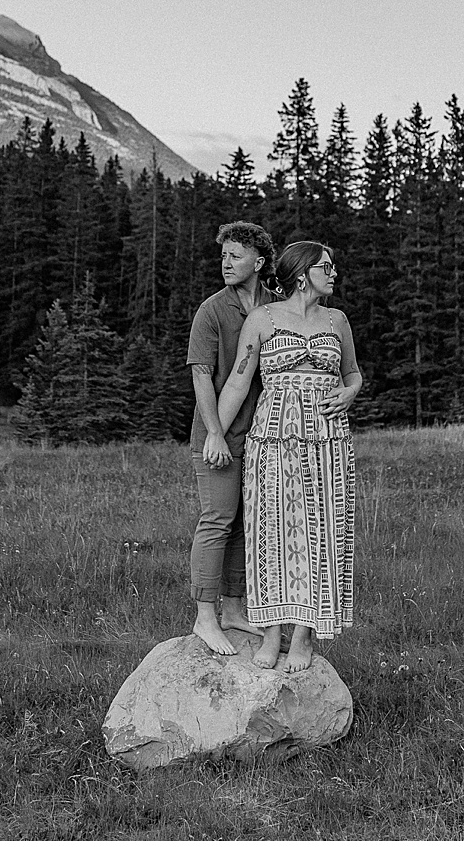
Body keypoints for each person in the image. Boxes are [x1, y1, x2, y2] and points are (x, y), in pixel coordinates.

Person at [216, 240, 361, 672]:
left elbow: (352, 373)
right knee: (272, 535)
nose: (334, 273)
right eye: (326, 266)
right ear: (302, 274)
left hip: (328, 441)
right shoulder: (262, 319)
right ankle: (272, 631)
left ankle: (303, 636)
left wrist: (350, 392)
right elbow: (239, 383)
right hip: (273, 440)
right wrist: (215, 436)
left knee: (321, 536)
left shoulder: (337, 320)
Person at [183, 221, 279, 655]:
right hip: (216, 436)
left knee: (245, 524)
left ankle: (235, 610)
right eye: (222, 255)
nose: (225, 263)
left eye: (235, 255)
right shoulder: (212, 310)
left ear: (258, 262)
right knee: (217, 520)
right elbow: (202, 378)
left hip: (261, 436)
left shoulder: (275, 309)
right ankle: (205, 617)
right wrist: (216, 434)